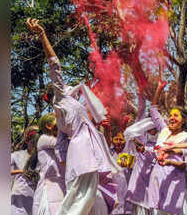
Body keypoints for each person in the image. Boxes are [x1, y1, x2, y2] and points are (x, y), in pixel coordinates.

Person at [25, 18, 120, 215]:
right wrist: (43, 36)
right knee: (78, 208)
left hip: (81, 160)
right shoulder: (62, 99)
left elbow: (60, 146)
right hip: (83, 157)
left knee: (86, 205)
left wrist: (70, 165)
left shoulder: (65, 114)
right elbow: (55, 65)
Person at [146, 79, 187, 215]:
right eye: (171, 115)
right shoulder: (164, 131)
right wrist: (159, 89)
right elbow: (153, 111)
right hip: (157, 179)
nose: (171, 118)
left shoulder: (186, 137)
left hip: (174, 182)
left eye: (176, 115)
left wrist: (170, 162)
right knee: (156, 210)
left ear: (183, 120)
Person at [33, 113, 66, 215]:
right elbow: (62, 144)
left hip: (60, 185)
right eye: (59, 122)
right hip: (49, 187)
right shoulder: (43, 139)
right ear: (48, 126)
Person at [11, 126, 39, 215]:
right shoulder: (16, 155)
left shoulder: (41, 157)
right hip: (20, 196)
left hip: (35, 197)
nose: (35, 146)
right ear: (27, 141)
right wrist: (21, 171)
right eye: (32, 143)